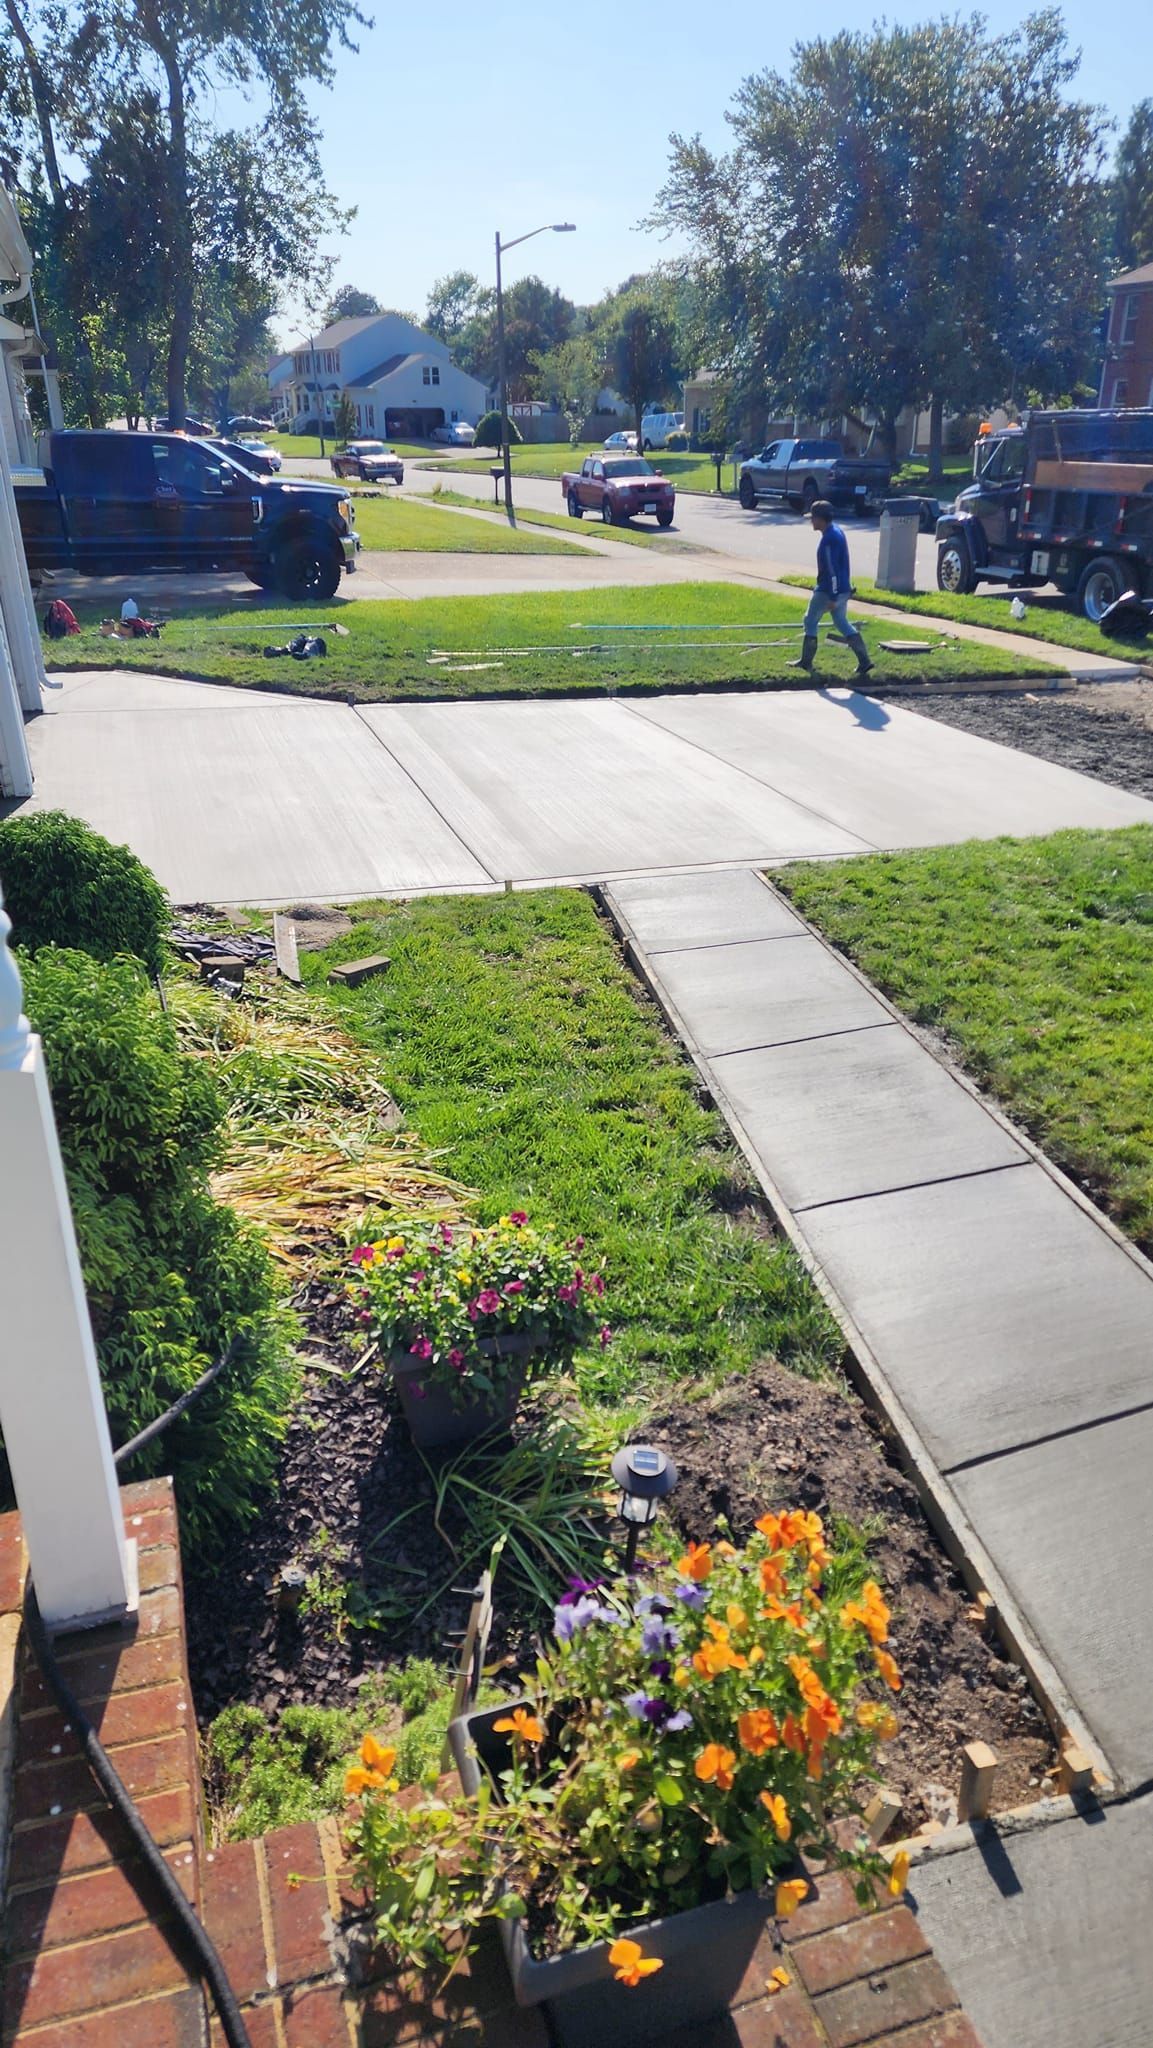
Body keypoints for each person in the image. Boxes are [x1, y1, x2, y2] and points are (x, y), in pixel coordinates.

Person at [791, 500, 874, 679]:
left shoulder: (829, 539)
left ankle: (806, 662)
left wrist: (833, 597)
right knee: (841, 622)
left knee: (810, 621)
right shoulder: (838, 532)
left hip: (828, 590)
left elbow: (831, 569)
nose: (811, 521)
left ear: (821, 519)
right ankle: (864, 661)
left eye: (813, 518)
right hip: (843, 588)